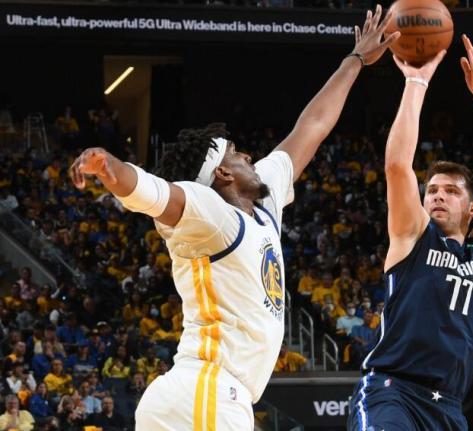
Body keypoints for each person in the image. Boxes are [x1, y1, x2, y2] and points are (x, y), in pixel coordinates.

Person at [69, 6, 399, 431]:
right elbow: (154, 192)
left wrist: (355, 60)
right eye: (236, 153)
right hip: (207, 391)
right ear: (223, 174)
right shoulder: (212, 216)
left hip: (204, 396)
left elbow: (313, 126)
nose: (248, 155)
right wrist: (109, 167)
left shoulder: (265, 204)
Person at [348, 34, 473, 430]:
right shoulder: (413, 235)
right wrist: (416, 81)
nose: (438, 195)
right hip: (392, 392)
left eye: (452, 191)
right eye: (433, 190)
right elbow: (397, 165)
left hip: (449, 407)